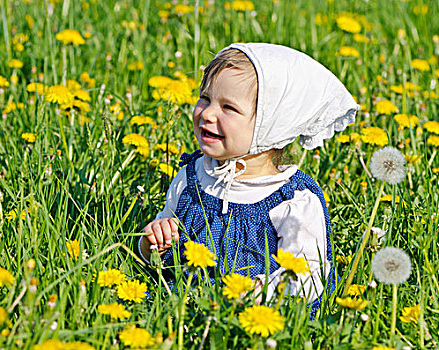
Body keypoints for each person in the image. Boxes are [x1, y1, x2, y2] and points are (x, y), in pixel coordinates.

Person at [138, 43, 359, 315]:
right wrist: (152, 243)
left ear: (272, 125)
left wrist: (253, 295)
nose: (207, 113)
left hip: (257, 321)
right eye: (205, 98)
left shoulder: (293, 201)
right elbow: (161, 255)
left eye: (228, 107)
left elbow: (308, 278)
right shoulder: (192, 177)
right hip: (181, 311)